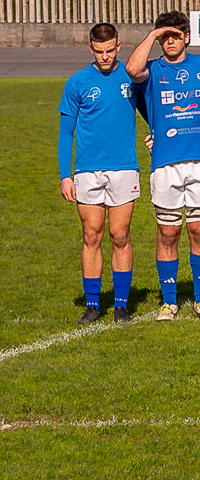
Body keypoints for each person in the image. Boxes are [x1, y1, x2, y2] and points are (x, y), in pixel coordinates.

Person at [125, 11, 200, 320]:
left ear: (187, 37)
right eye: (165, 37)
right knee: (167, 233)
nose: (170, 41)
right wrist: (153, 35)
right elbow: (131, 68)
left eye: (175, 35)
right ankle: (169, 301)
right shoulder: (152, 70)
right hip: (165, 164)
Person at [59, 22, 141, 324]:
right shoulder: (77, 82)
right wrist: (64, 175)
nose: (105, 56)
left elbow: (151, 108)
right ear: (90, 48)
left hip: (124, 168)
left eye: (110, 50)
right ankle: (92, 304)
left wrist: (157, 132)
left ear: (118, 47)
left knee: (120, 235)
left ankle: (121, 304)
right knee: (91, 234)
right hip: (87, 172)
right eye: (99, 51)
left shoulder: (130, 77)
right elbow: (66, 133)